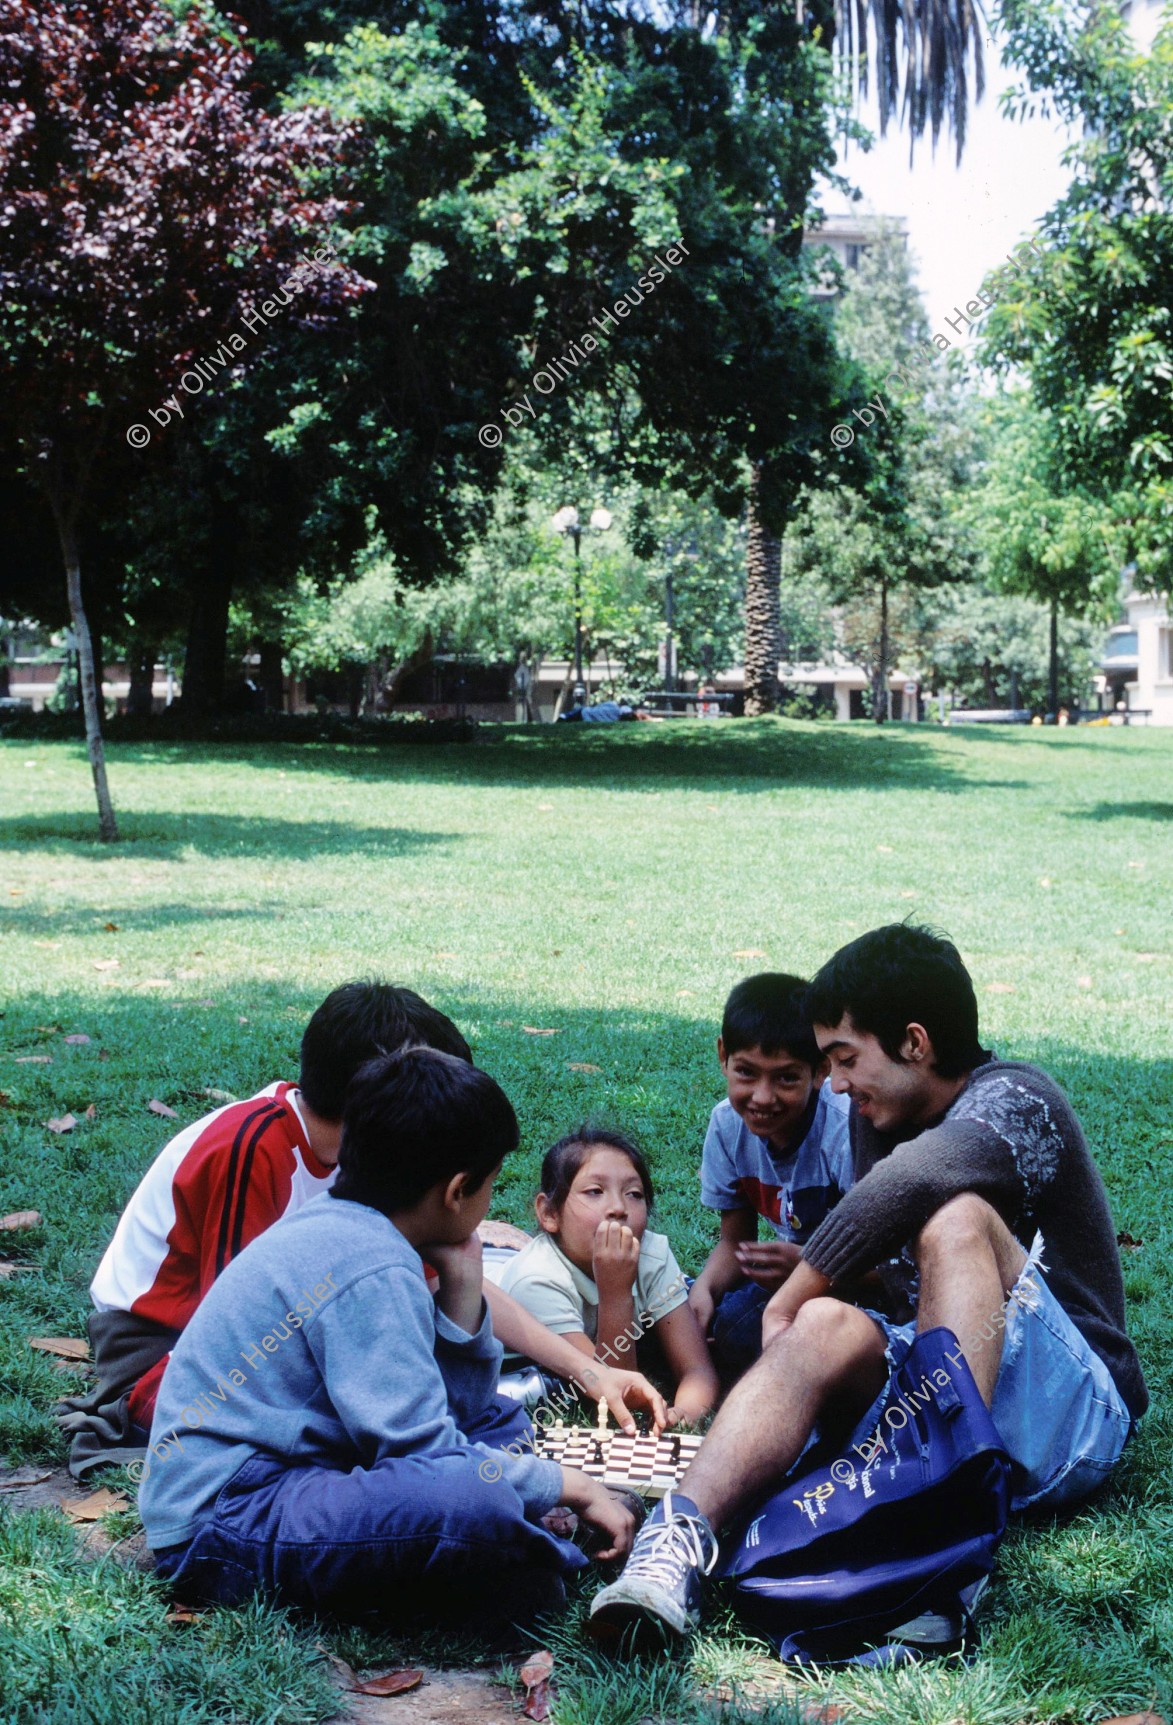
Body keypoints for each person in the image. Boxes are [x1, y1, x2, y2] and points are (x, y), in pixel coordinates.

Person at [590, 923, 1148, 1640]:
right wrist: (813, 1317)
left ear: (915, 1042)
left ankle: (941, 1548)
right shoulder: (875, 1116)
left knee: (956, 1218)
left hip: (1071, 1413)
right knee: (825, 1323)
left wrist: (791, 1292)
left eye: (844, 1059)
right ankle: (674, 1543)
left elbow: (912, 1180)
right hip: (948, 1393)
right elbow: (888, 1285)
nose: (836, 1082)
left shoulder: (1017, 1097)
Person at [59, 982, 664, 1477]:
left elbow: (446, 1278)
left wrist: (587, 1369)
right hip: (167, 1361)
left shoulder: (383, 1171)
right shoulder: (251, 1147)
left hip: (292, 1344)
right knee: (395, 1430)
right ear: (380, 1091)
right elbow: (238, 1331)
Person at [139, 1049, 636, 1627]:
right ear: (456, 1192)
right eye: (490, 1187)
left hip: (303, 1469)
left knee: (497, 1425)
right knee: (471, 1498)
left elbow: (463, 1409)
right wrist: (563, 1484)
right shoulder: (369, 1262)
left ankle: (509, 1542)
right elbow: (427, 1456)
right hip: (225, 1517)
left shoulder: (363, 1226)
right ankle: (523, 1551)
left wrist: (464, 1285)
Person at [686, 974, 853, 1381]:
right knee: (695, 1314)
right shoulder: (727, 1126)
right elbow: (735, 1243)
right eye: (746, 1072)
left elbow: (890, 1265)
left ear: (820, 1070)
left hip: (853, 1286)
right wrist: (704, 1291)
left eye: (786, 1078)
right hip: (790, 1282)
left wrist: (810, 1266)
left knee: (756, 1332)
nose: (762, 1097)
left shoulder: (843, 1130)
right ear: (723, 1055)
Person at [497, 1128, 719, 1423]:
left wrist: (682, 1414)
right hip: (522, 1358)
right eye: (595, 1192)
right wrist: (616, 1291)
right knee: (553, 1388)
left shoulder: (651, 1253)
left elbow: (697, 1369)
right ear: (550, 1214)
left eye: (634, 1194)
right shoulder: (537, 1280)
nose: (618, 1208)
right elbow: (612, 1390)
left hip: (606, 1338)